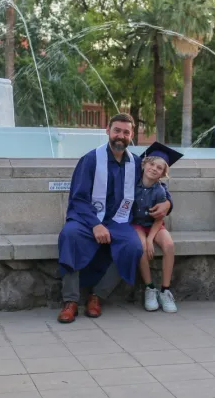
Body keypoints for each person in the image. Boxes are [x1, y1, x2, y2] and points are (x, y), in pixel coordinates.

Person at [57, 114, 173, 323]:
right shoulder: (91, 160)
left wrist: (167, 203)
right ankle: (71, 301)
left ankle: (97, 296)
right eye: (117, 131)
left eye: (126, 132)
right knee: (70, 235)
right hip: (87, 219)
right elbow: (78, 198)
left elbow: (154, 183)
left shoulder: (135, 163)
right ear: (107, 131)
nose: (121, 136)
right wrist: (95, 225)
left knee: (133, 247)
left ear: (131, 136)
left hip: (118, 221)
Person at [133, 142, 183, 313]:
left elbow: (159, 218)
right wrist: (145, 241)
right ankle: (149, 288)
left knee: (169, 245)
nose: (154, 169)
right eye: (152, 164)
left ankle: (165, 290)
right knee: (140, 248)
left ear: (163, 173)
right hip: (136, 225)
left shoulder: (160, 191)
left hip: (155, 225)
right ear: (144, 164)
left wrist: (150, 238)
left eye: (159, 168)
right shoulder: (132, 185)